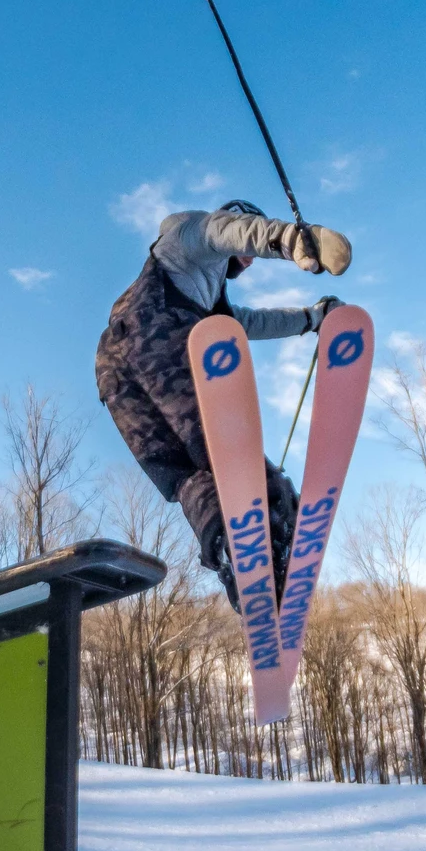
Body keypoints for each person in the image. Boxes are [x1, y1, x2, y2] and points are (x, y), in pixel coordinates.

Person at [95, 200, 351, 609]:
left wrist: (312, 318)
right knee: (235, 462)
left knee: (190, 479)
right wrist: (289, 239)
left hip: (114, 376)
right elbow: (223, 232)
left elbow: (251, 323)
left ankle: (238, 563)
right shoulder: (188, 236)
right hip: (156, 344)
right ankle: (278, 543)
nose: (248, 262)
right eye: (247, 250)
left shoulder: (206, 296)